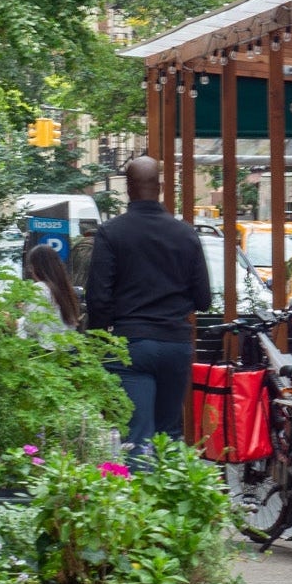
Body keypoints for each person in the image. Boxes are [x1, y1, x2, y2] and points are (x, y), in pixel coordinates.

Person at [81, 156, 210, 453]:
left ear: (128, 189)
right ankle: (173, 495)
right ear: (161, 187)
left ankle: (140, 494)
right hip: (176, 344)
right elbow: (204, 299)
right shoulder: (186, 234)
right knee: (169, 435)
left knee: (137, 437)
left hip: (130, 345)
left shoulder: (111, 233)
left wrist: (103, 339)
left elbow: (98, 298)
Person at [22, 242, 84, 335]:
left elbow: (31, 327)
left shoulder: (40, 289)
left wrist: (17, 321)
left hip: (47, 347)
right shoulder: (64, 287)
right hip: (69, 346)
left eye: (31, 267)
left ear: (36, 267)